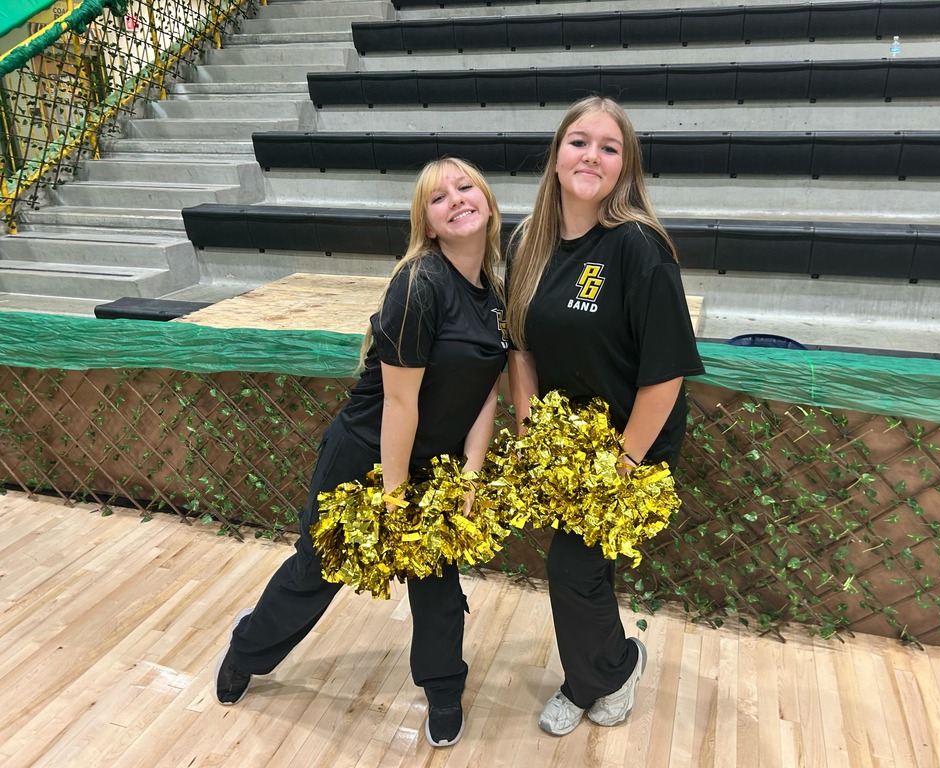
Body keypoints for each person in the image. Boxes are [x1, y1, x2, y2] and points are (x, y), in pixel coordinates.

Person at [214, 157, 508, 749]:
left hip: (435, 465)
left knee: (436, 576)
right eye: (437, 197)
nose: (455, 199)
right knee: (316, 571)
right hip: (365, 456)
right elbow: (399, 406)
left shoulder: (496, 295)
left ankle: (444, 688)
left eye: (465, 186)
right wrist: (395, 497)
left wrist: (471, 475)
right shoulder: (418, 283)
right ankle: (248, 649)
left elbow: (485, 393)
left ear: (488, 202)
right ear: (426, 224)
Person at [504, 96, 705, 736]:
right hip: (567, 446)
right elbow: (521, 347)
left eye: (609, 147)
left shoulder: (639, 248)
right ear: (557, 156)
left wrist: (621, 463)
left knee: (571, 567)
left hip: (632, 446)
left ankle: (608, 672)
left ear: (626, 166)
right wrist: (531, 429)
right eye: (580, 142)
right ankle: (603, 666)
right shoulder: (527, 244)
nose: (592, 155)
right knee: (584, 567)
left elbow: (665, 373)